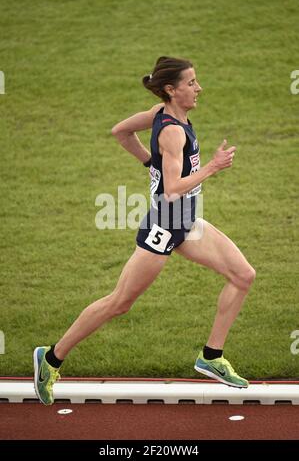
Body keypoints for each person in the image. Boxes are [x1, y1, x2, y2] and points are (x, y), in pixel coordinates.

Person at [33, 56, 255, 405]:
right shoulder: (170, 130)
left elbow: (120, 132)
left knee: (243, 275)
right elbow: (171, 189)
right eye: (191, 83)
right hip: (165, 227)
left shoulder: (161, 113)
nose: (199, 88)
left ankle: (211, 357)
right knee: (119, 303)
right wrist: (212, 166)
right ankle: (50, 358)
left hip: (187, 220)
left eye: (196, 81)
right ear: (172, 89)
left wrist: (148, 161)